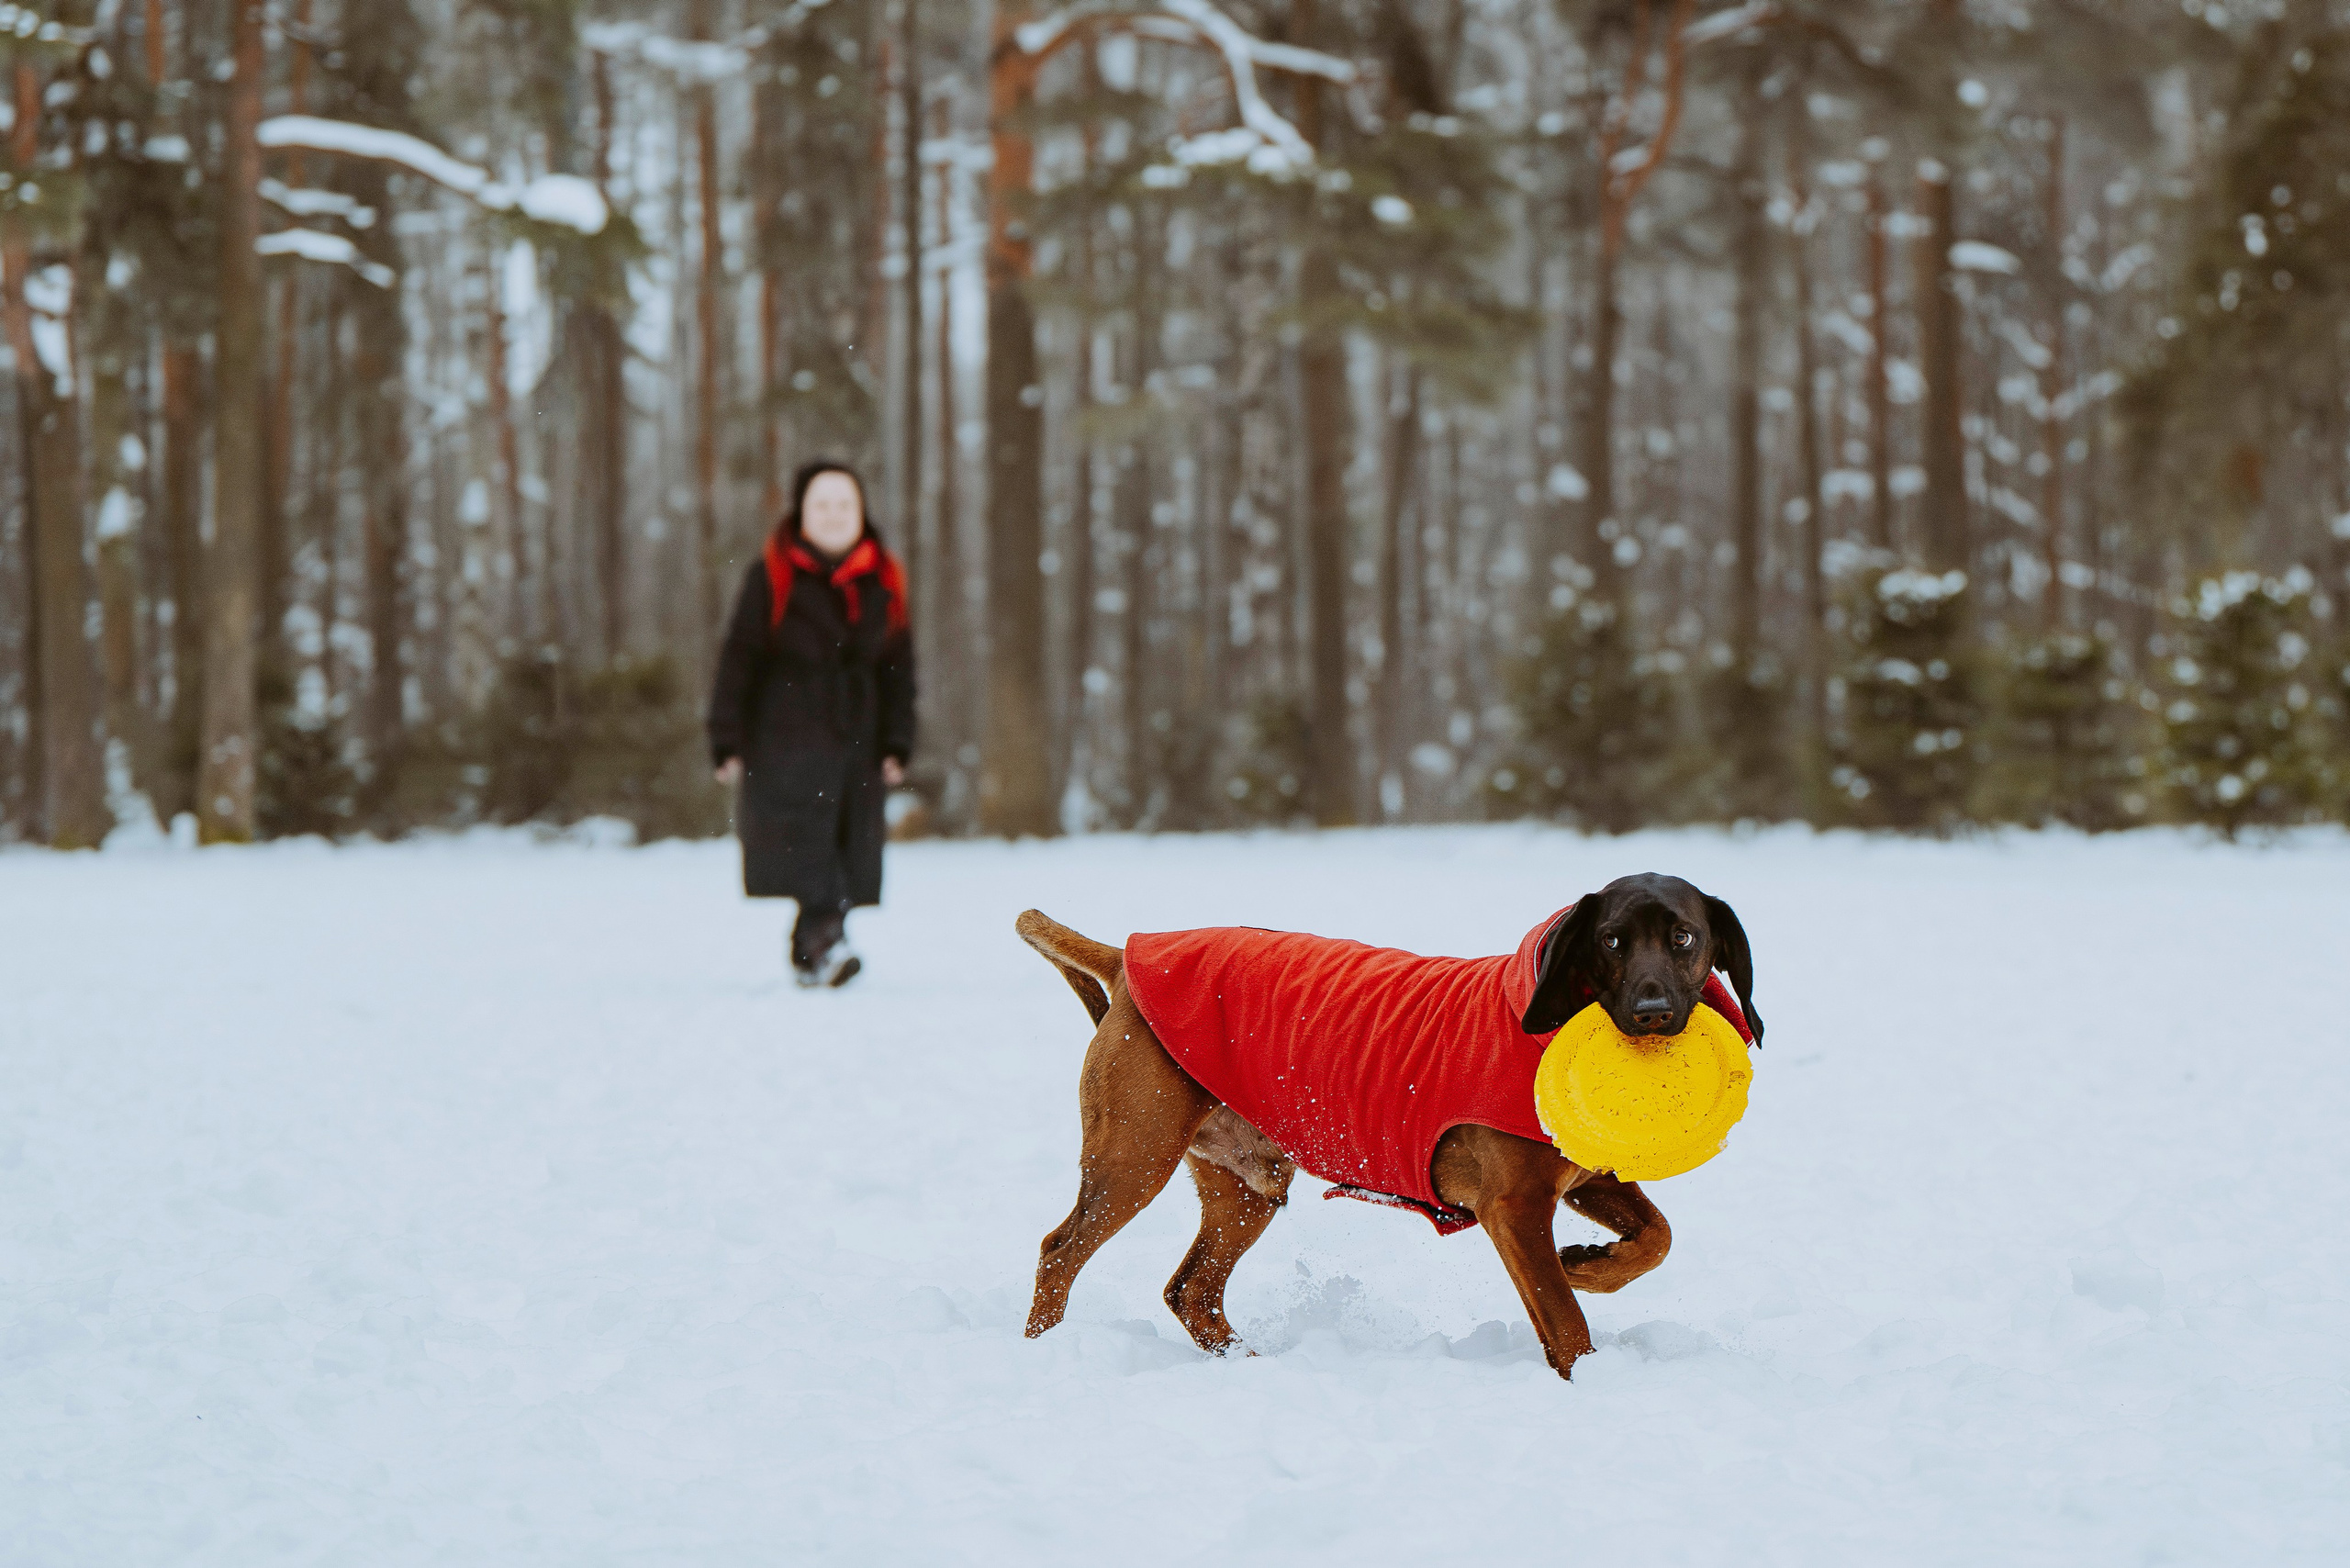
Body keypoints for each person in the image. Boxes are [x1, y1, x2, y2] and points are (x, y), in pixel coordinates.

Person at [708, 462, 915, 987]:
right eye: (821, 504)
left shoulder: (883, 577)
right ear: (801, 512)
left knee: (848, 848)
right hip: (785, 739)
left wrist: (898, 740)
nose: (833, 515)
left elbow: (898, 666)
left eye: (844, 504)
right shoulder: (772, 574)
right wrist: (725, 737)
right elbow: (739, 658)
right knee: (806, 847)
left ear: (861, 512)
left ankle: (814, 950)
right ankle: (825, 945)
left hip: (858, 740)